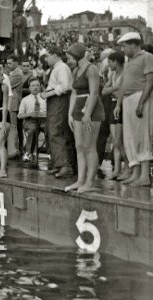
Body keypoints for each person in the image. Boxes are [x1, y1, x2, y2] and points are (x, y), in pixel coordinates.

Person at [64, 43, 105, 193]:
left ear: (77, 56)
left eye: (69, 58)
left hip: (92, 110)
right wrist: (70, 113)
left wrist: (87, 114)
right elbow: (74, 93)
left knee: (89, 146)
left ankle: (90, 182)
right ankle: (80, 180)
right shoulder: (75, 71)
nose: (68, 61)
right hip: (78, 110)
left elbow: (94, 93)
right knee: (79, 146)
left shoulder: (91, 69)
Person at [114, 32, 153, 187]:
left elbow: (150, 82)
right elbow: (123, 84)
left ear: (132, 44)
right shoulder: (129, 61)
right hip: (127, 99)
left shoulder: (147, 57)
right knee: (129, 138)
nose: (123, 49)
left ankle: (144, 176)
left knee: (141, 136)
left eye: (124, 46)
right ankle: (135, 172)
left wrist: (141, 102)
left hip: (139, 97)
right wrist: (118, 104)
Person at [40, 46, 76, 178]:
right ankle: (58, 163)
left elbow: (64, 86)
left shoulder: (62, 68)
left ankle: (64, 165)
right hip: (54, 101)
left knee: (56, 131)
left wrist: (49, 94)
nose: (46, 59)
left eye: (48, 56)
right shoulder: (56, 68)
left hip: (59, 101)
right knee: (52, 131)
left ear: (55, 55)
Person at [102, 51, 130, 181]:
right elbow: (104, 91)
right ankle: (117, 169)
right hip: (114, 105)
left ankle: (128, 168)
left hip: (122, 105)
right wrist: (115, 88)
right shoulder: (113, 74)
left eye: (109, 62)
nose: (108, 65)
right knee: (115, 141)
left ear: (116, 62)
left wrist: (113, 90)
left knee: (119, 141)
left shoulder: (125, 73)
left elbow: (121, 94)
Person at [18, 78, 47, 162]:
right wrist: (29, 114)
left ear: (40, 87)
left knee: (50, 131)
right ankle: (27, 153)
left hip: (44, 120)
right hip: (30, 120)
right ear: (29, 88)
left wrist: (44, 114)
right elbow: (19, 115)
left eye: (37, 85)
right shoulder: (25, 100)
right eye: (33, 85)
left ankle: (50, 153)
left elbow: (50, 112)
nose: (35, 87)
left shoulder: (45, 98)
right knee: (32, 130)